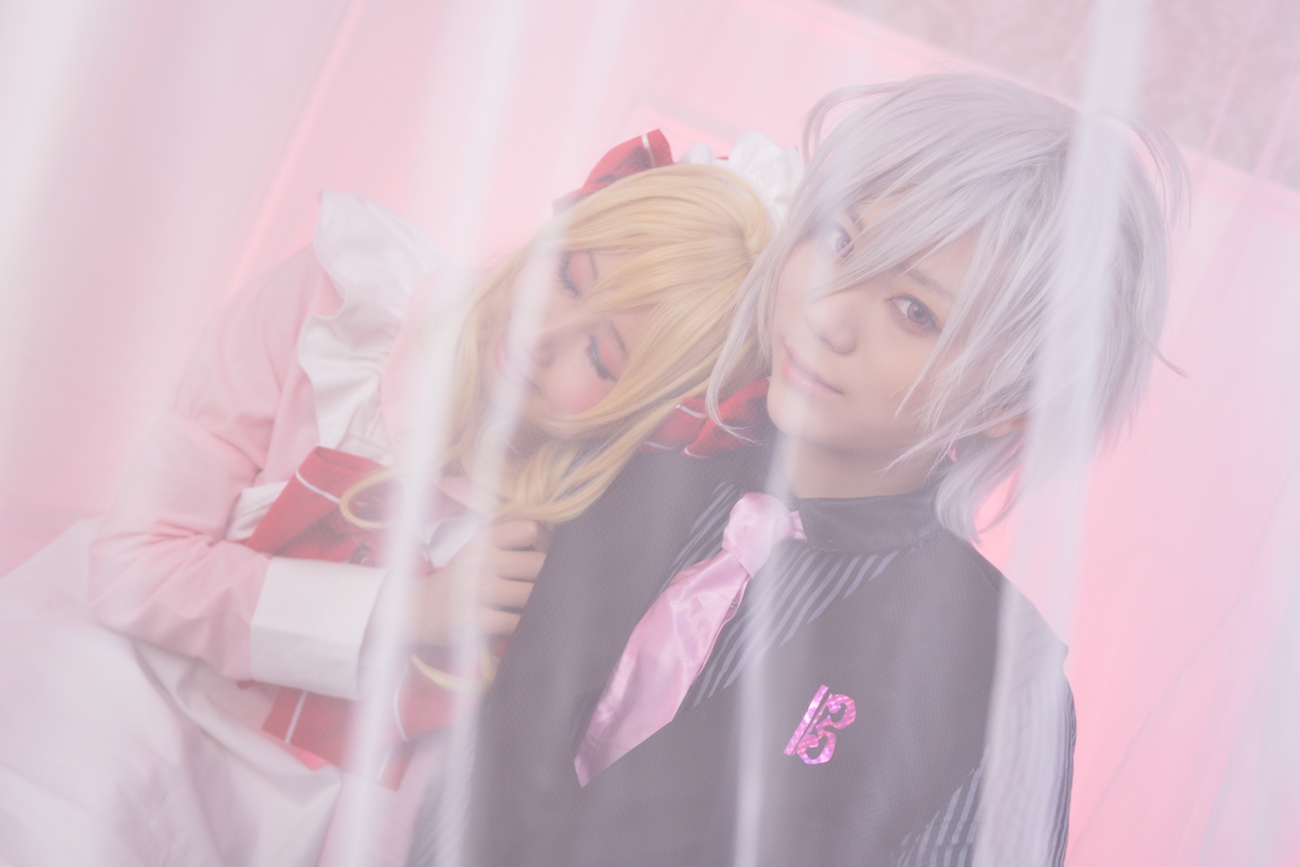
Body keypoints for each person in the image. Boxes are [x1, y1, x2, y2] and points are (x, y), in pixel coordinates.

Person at [433, 74, 1185, 866]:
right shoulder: (624, 438)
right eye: (839, 242)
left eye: (915, 312)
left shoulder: (996, 681)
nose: (828, 314)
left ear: (1011, 403)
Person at [0, 142, 783, 867]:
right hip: (125, 685)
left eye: (600, 355)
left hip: (293, 817)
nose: (542, 334)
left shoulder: (570, 533)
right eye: (569, 276)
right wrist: (408, 610)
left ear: (641, 413)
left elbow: (422, 785)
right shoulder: (341, 304)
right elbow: (133, 568)